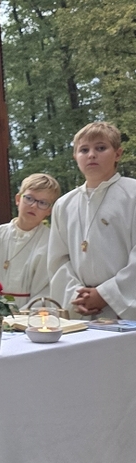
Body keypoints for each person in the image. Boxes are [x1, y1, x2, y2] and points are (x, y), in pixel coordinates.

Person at [49, 121, 136, 319]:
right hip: (82, 309)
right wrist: (76, 296)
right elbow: (58, 260)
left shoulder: (132, 194)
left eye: (101, 148)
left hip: (125, 309)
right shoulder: (64, 205)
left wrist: (106, 294)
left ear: (118, 154)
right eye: (84, 150)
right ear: (75, 157)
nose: (91, 155)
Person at [0, 172, 60, 308]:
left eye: (43, 203)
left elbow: (46, 289)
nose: (34, 206)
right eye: (29, 198)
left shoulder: (50, 241)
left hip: (32, 314)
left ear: (49, 210)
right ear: (18, 199)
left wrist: (21, 315)